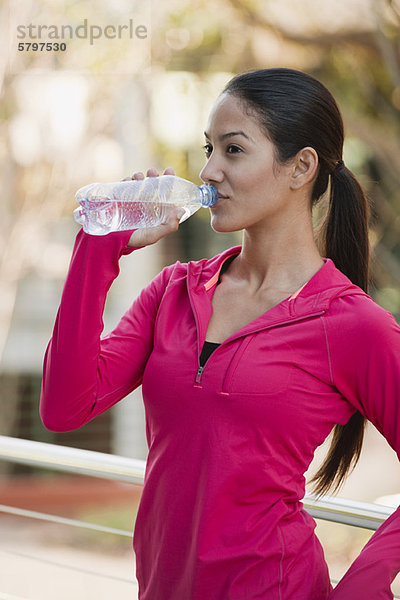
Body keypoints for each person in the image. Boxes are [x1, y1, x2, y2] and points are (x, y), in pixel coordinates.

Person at [40, 68, 400, 599]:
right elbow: (64, 407)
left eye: (233, 150)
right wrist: (97, 250)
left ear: (301, 166)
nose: (208, 171)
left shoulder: (350, 323)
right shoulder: (174, 292)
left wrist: (359, 590)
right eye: (209, 148)